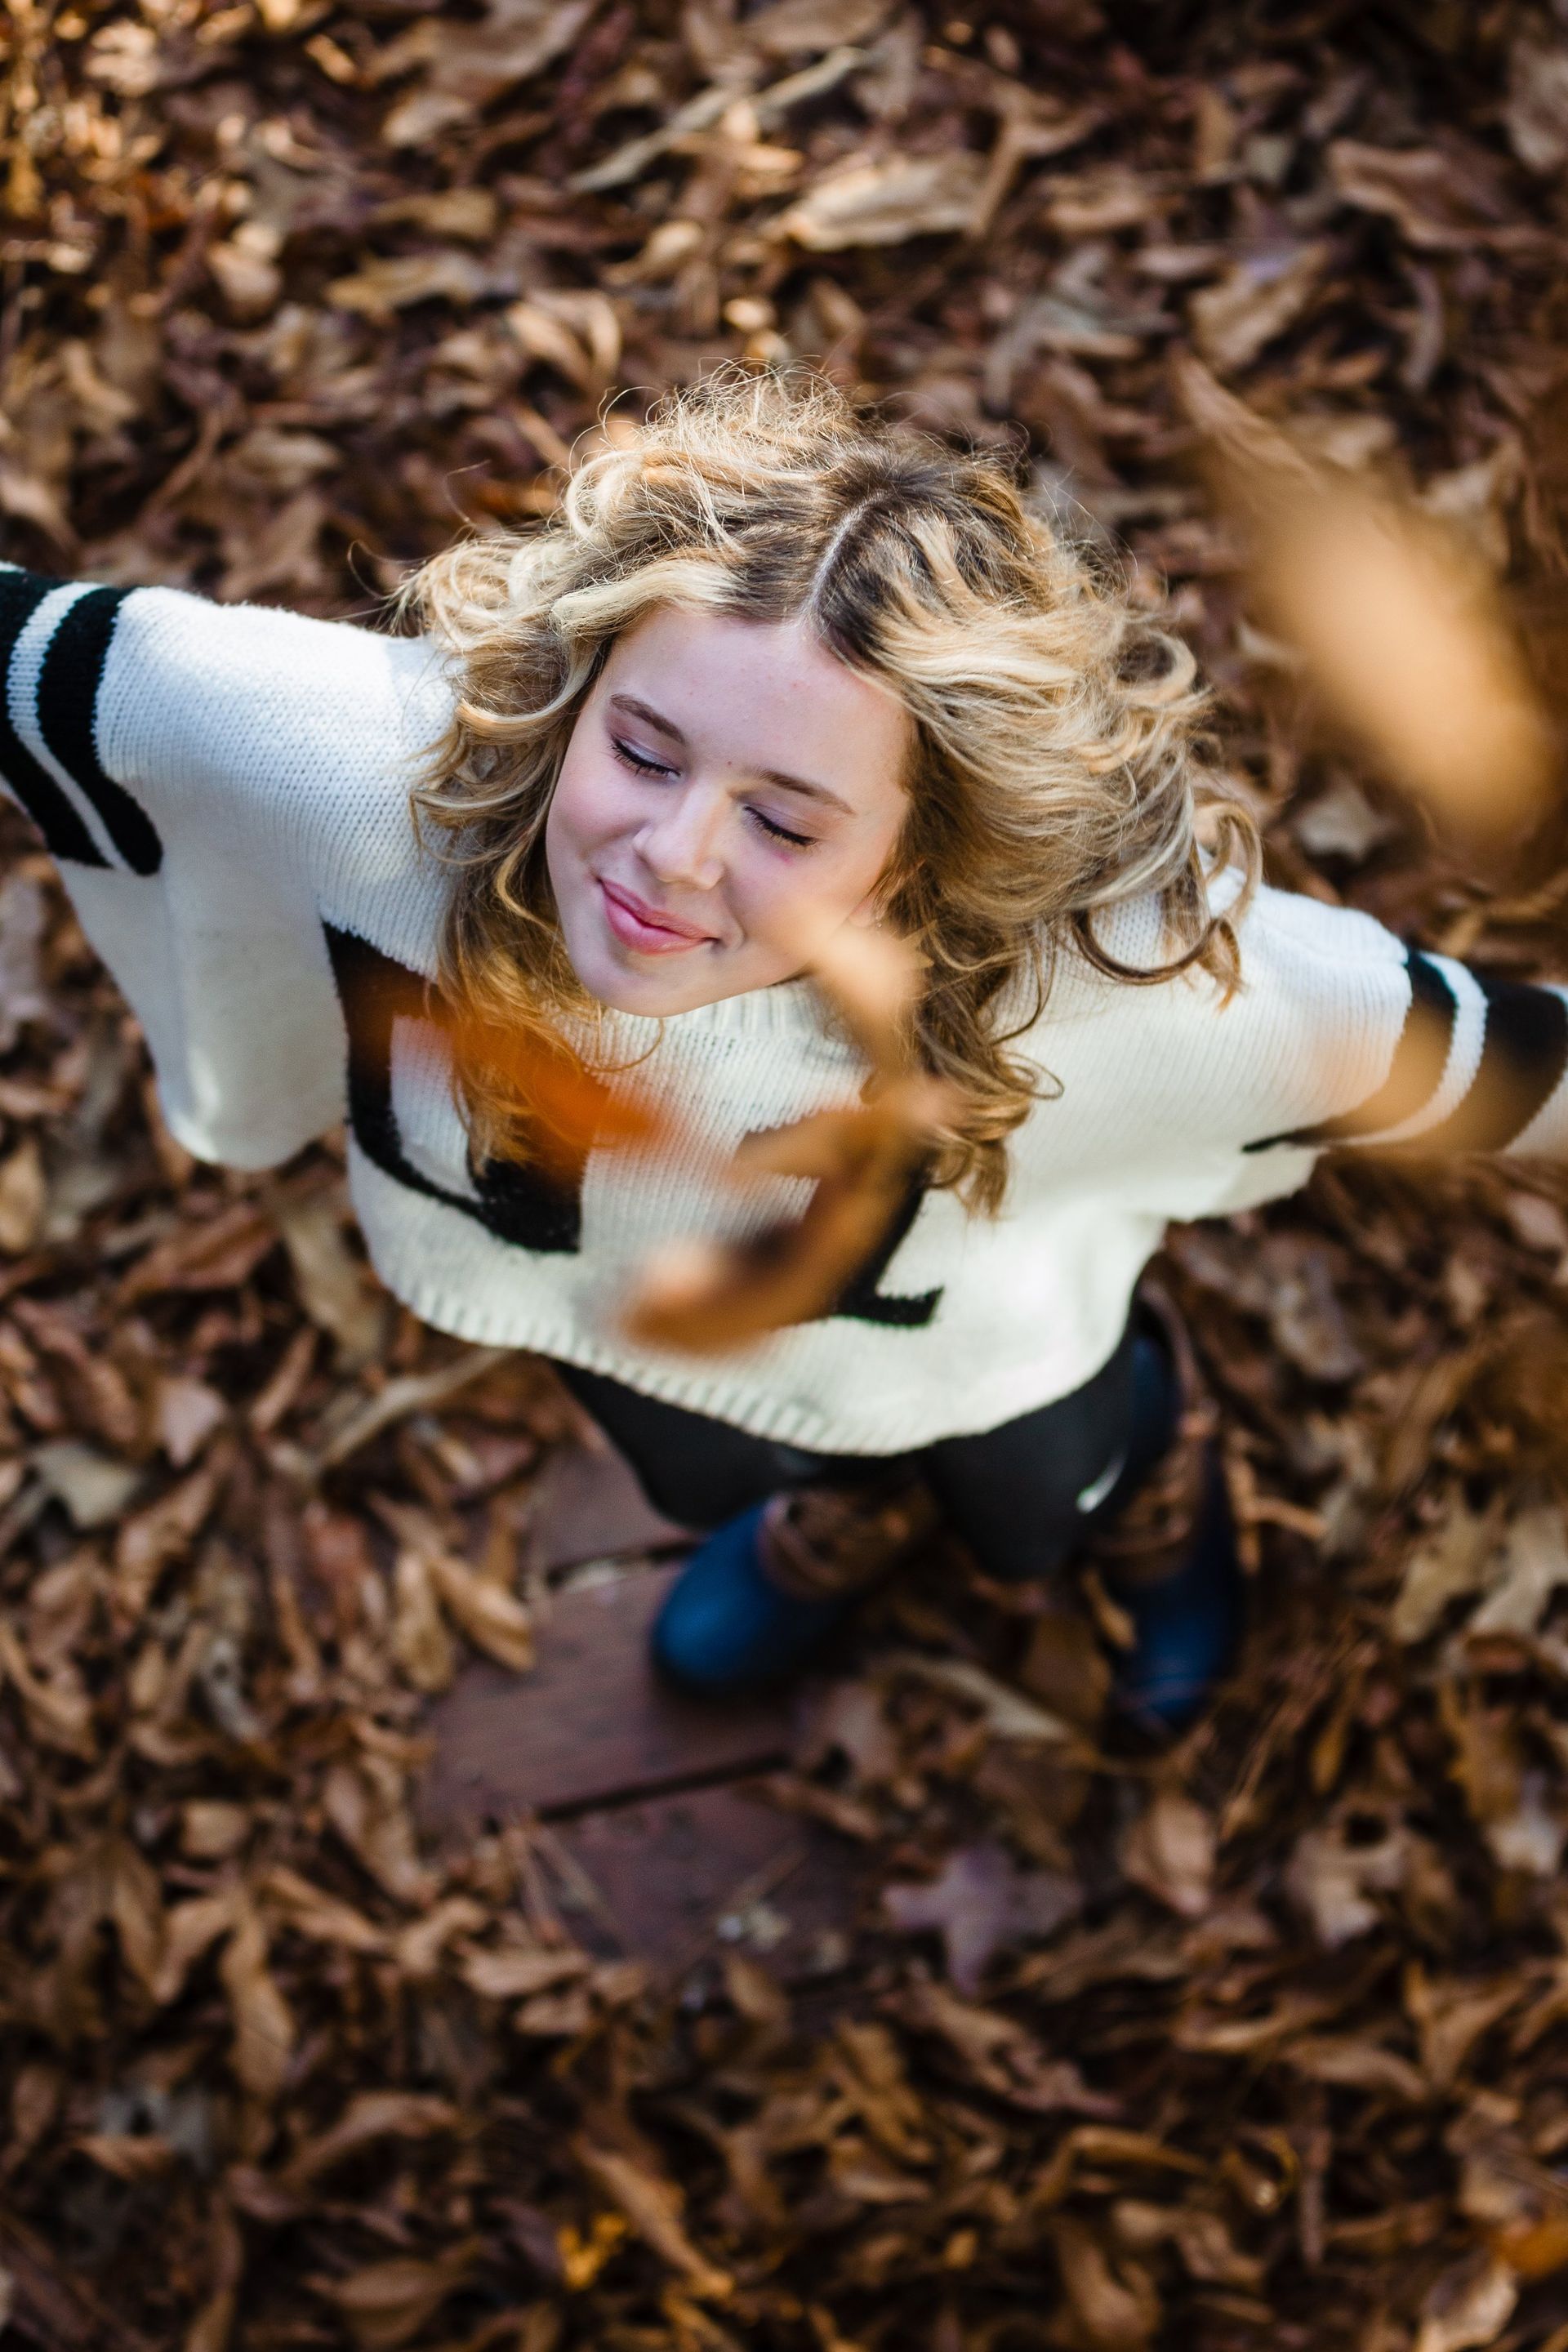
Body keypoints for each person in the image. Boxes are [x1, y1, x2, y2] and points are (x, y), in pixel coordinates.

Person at [2, 370, 1562, 1735]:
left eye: (784, 819)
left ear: (922, 843)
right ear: (579, 686)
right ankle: (849, 1517)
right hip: (609, 1298)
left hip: (980, 1348)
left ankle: (1160, 1498)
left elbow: (1465, 1051)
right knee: (711, 1481)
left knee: (1036, 1514)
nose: (670, 855)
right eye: (644, 749)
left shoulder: (1124, 980)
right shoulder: (364, 776)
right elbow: (70, 677)